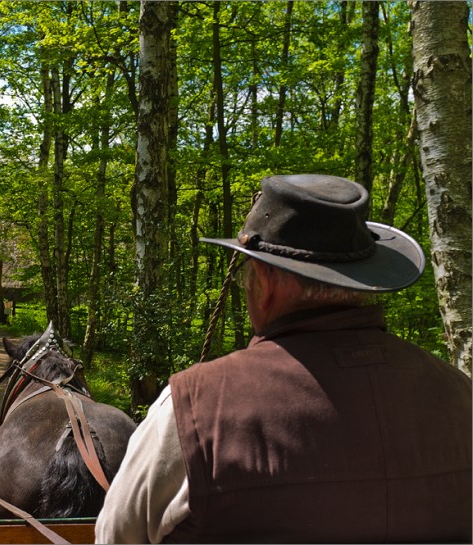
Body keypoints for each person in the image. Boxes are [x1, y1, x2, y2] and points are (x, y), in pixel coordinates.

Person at [95, 174, 471, 543]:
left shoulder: (193, 408)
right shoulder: (460, 394)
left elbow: (114, 536)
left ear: (265, 280)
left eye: (247, 273)